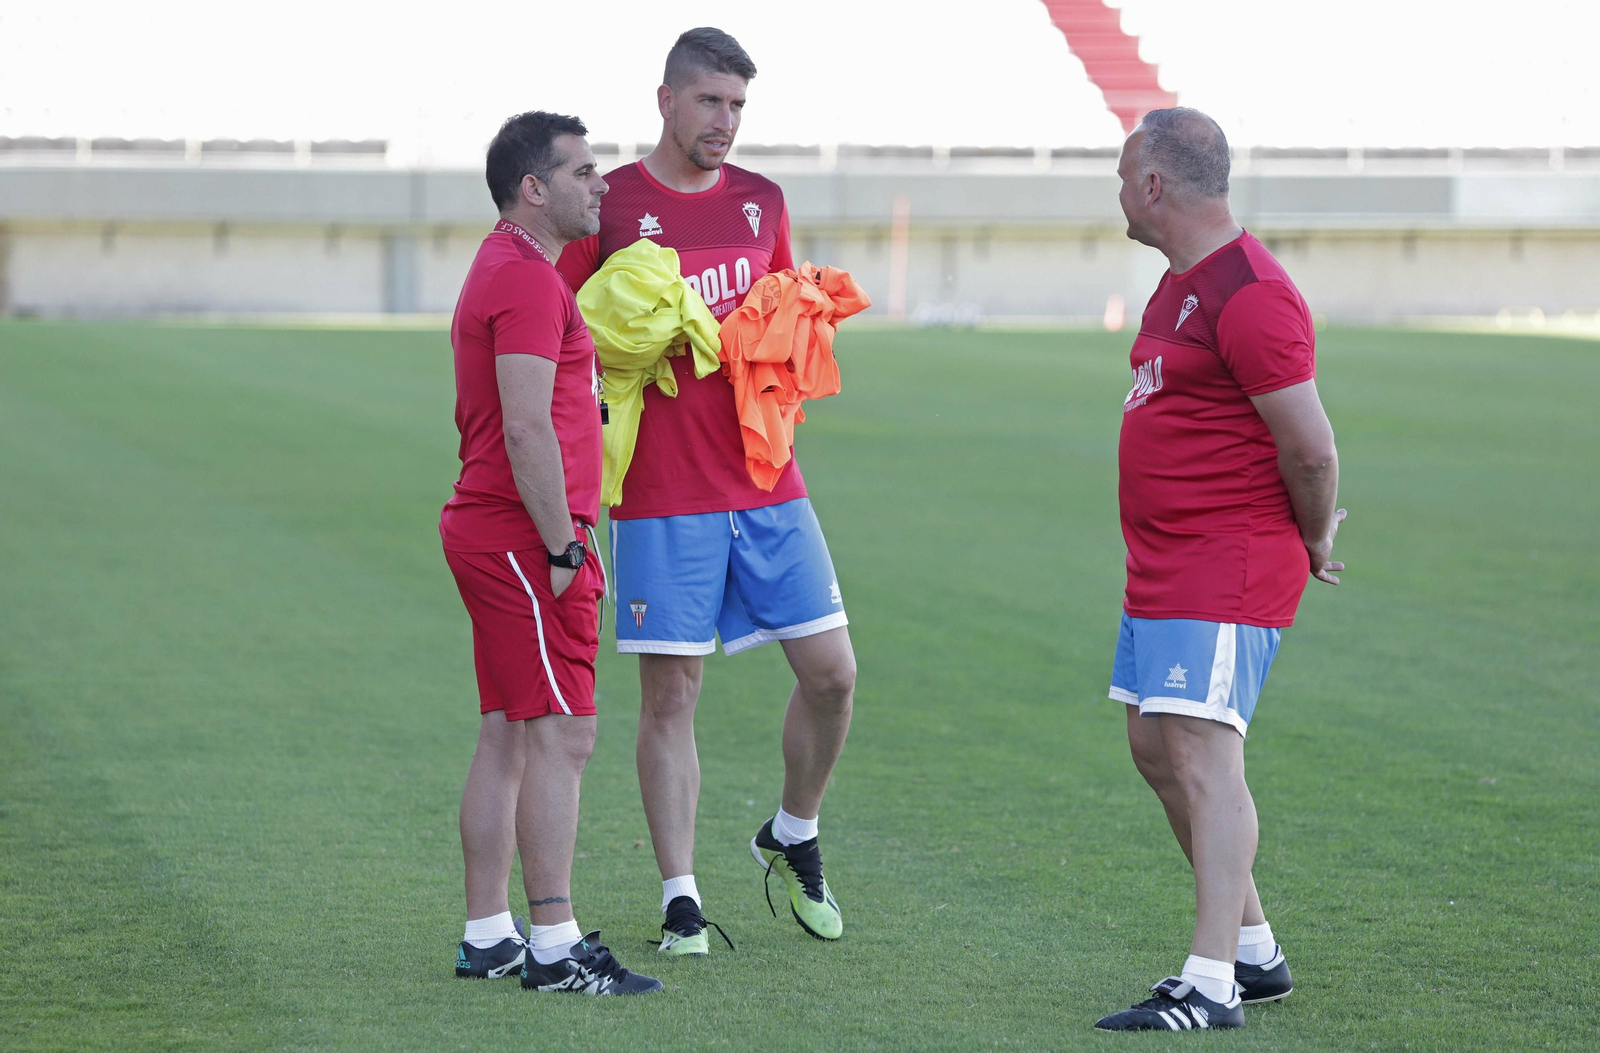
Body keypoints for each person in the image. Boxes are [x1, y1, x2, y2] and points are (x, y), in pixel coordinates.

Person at [556, 28, 856, 955]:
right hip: (661, 487)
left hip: (766, 477)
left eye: (736, 106)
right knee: (671, 695)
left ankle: (792, 831)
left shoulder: (764, 202)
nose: (724, 122)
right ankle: (681, 898)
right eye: (709, 103)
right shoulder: (614, 207)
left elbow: (779, 315)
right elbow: (573, 336)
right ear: (666, 101)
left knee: (834, 673)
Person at [1093, 107, 1346, 1032]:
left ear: (1155, 185)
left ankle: (1208, 983)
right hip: (1166, 560)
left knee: (1202, 751)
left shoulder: (1252, 294)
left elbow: (1311, 450)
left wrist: (1315, 538)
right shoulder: (1178, 285)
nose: (1118, 191)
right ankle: (1253, 950)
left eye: (1125, 176)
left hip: (1226, 560)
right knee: (1157, 748)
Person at [441, 110, 660, 995]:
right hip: (524, 541)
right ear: (534, 188)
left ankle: (489, 934)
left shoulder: (510, 264)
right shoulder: (525, 278)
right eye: (582, 171)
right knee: (565, 733)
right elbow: (527, 424)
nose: (601, 185)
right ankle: (554, 945)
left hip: (497, 533)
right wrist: (565, 544)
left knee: (511, 735)